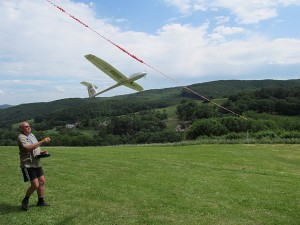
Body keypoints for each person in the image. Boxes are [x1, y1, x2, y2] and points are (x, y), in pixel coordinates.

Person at [18, 122, 51, 211]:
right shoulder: (21, 137)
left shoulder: (32, 135)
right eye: (26, 127)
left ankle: (41, 201)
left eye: (29, 126)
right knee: (35, 184)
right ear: (21, 129)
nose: (28, 127)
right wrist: (43, 141)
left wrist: (42, 152)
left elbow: (35, 148)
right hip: (28, 164)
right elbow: (28, 148)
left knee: (42, 181)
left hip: (36, 163)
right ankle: (25, 200)